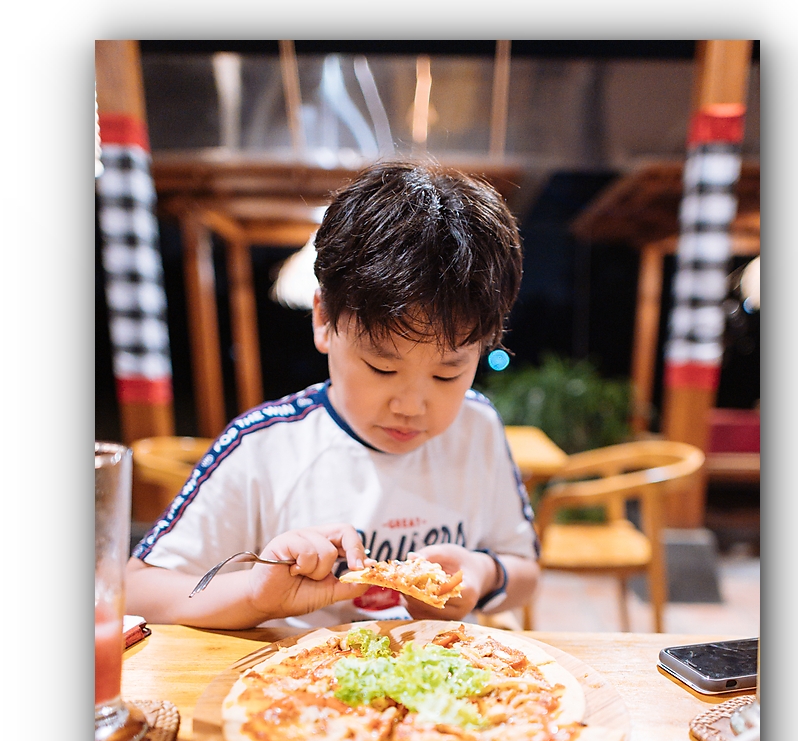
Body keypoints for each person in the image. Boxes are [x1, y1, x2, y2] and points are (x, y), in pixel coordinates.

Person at [126, 161, 539, 632]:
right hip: (302, 673)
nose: (410, 406)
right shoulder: (262, 446)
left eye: (448, 374)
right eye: (382, 368)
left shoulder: (477, 427)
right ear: (323, 319)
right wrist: (256, 594)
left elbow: (524, 569)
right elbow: (137, 589)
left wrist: (484, 573)